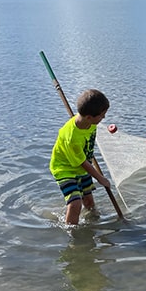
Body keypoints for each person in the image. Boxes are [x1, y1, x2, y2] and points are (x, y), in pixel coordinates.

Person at [50, 89, 112, 225]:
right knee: (75, 203)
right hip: (65, 168)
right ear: (89, 117)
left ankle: (94, 222)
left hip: (82, 166)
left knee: (89, 200)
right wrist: (101, 179)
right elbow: (82, 162)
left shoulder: (90, 123)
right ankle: (73, 235)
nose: (104, 118)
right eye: (102, 115)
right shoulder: (71, 137)